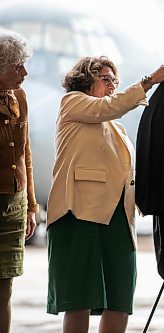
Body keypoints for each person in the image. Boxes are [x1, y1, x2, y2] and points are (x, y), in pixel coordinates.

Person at [45, 56, 164, 333]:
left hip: (117, 216)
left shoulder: (115, 125)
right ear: (86, 80)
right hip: (78, 212)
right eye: (106, 80)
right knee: (78, 300)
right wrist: (148, 81)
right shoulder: (72, 102)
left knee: (120, 299)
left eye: (115, 80)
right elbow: (111, 107)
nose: (113, 85)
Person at [0, 28, 38, 333]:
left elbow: (25, 153)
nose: (24, 72)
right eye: (17, 66)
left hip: (14, 206)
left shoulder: (20, 97)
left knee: (5, 287)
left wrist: (31, 207)